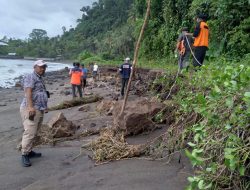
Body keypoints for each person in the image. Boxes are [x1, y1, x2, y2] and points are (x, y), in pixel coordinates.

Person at [20, 60, 48, 167]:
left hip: (39, 109)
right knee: (30, 132)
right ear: (35, 67)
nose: (43, 69)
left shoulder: (39, 78)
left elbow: (41, 93)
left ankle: (29, 151)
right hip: (31, 109)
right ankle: (24, 154)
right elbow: (28, 92)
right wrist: (30, 107)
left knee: (35, 131)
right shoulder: (30, 77)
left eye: (44, 67)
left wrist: (45, 107)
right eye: (40, 67)